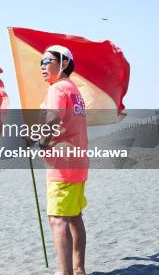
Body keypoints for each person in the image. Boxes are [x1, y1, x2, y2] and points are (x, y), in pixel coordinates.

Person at [38, 45, 88, 275]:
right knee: (74, 216)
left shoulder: (58, 89)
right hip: (78, 162)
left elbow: (53, 121)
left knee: (57, 218)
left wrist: (40, 142)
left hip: (63, 164)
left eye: (47, 61)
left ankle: (66, 272)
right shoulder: (73, 89)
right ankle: (78, 269)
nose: (42, 66)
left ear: (64, 63)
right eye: (40, 62)